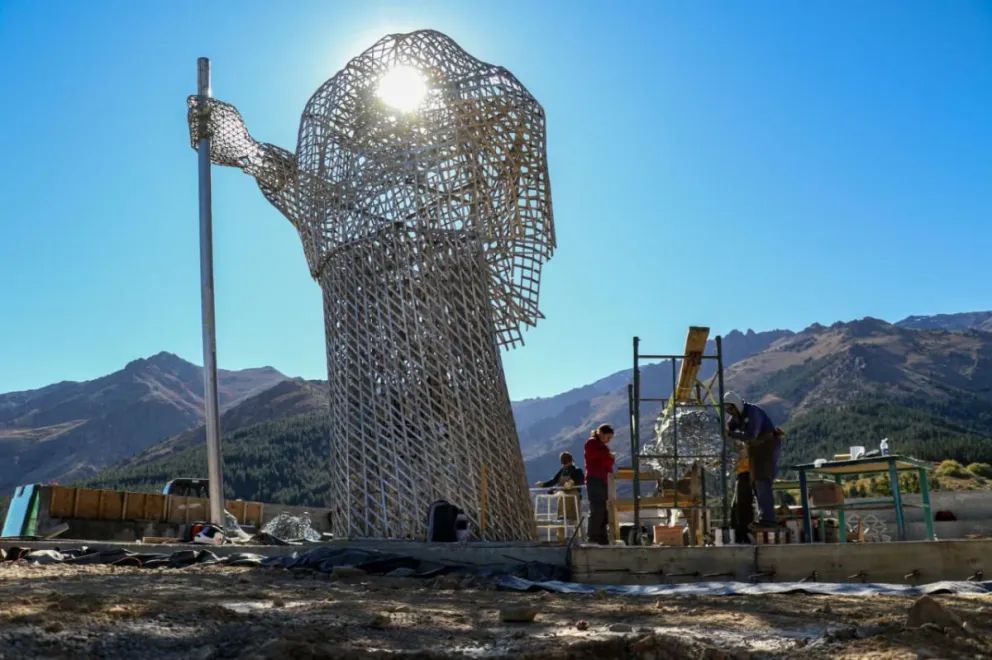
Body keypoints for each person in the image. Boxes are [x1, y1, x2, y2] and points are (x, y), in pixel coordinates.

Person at [724, 392, 783, 530]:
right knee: (757, 482)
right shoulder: (737, 416)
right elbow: (730, 426)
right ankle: (764, 517)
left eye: (731, 408)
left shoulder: (752, 412)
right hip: (756, 449)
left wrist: (731, 434)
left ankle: (768, 519)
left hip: (766, 447)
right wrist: (725, 429)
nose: (730, 412)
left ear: (736, 405)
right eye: (727, 409)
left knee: (762, 480)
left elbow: (751, 436)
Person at [584, 424, 615, 544]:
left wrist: (609, 457)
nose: (608, 440)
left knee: (604, 509)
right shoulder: (591, 444)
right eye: (608, 437)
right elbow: (597, 457)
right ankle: (593, 536)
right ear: (601, 433)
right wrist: (608, 456)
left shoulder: (603, 447)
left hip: (603, 479)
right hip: (595, 479)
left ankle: (602, 536)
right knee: (597, 508)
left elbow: (608, 463)